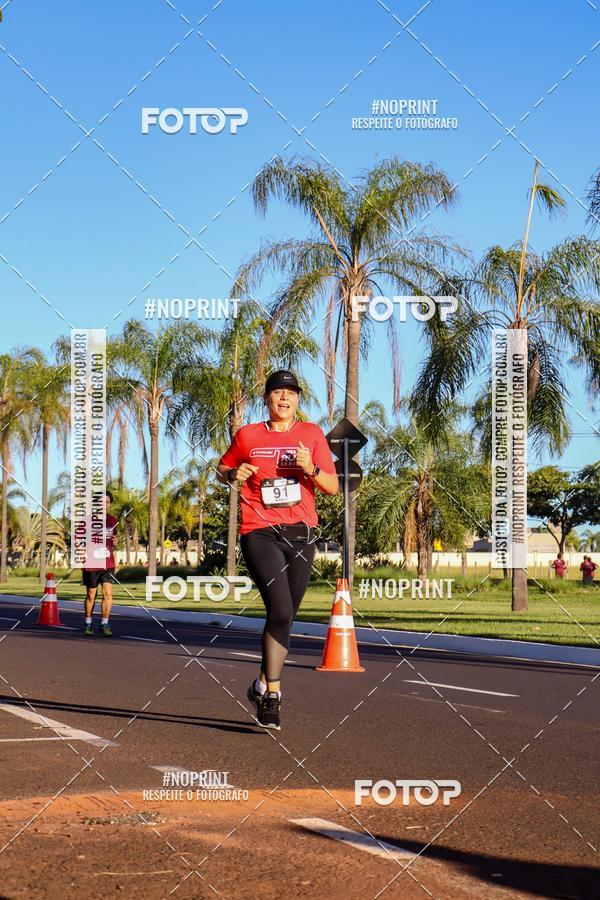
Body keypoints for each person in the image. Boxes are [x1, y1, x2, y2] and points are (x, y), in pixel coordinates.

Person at [217, 370, 338, 730]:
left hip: (301, 534)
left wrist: (310, 468)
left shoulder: (312, 434)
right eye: (277, 393)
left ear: (298, 400)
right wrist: (233, 474)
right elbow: (222, 467)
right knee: (280, 608)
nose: (284, 399)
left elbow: (332, 485)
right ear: (267, 399)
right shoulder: (248, 435)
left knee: (284, 618)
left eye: (291, 393)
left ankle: (259, 683)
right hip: (259, 532)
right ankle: (273, 696)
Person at [82, 491, 118, 636]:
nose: (105, 505)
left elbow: (114, 540)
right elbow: (79, 539)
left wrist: (115, 542)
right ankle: (88, 623)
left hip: (107, 562)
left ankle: (105, 623)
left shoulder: (113, 520)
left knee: (107, 593)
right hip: (91, 563)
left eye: (107, 502)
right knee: (91, 594)